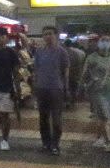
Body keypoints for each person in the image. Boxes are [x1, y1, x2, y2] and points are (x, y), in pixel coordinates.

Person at [31, 27, 69, 155]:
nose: (47, 36)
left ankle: (55, 144)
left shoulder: (61, 52)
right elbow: (36, 70)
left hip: (56, 89)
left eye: (50, 34)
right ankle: (45, 143)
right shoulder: (39, 51)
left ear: (56, 35)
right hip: (41, 88)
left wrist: (66, 87)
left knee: (56, 119)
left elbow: (65, 71)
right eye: (45, 34)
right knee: (43, 118)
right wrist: (35, 86)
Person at [82, 35, 110, 153]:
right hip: (98, 91)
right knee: (105, 117)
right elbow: (84, 75)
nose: (105, 42)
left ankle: (100, 138)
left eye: (107, 40)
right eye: (102, 40)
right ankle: (109, 143)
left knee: (106, 118)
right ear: (98, 43)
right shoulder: (91, 58)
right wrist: (89, 82)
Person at [64, 39, 86, 108]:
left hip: (66, 73)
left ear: (65, 44)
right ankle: (73, 101)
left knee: (66, 87)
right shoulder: (80, 52)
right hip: (76, 73)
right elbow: (82, 63)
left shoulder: (63, 52)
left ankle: (67, 101)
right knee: (73, 88)